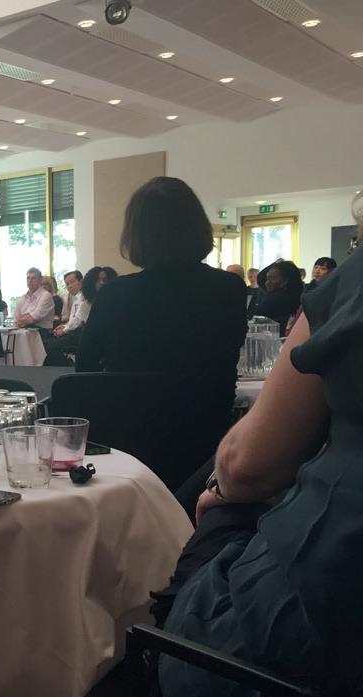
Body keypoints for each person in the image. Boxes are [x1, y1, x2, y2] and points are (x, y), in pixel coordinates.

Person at [152, 164, 363, 697]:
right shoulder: (222, 291)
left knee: (214, 499)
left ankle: (137, 687)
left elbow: (249, 465)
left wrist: (222, 494)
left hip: (330, 621)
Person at [75, 177, 246, 479]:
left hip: (128, 447)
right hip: (205, 443)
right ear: (197, 227)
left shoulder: (115, 294)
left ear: (136, 233)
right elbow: (225, 361)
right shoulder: (229, 289)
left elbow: (85, 370)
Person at [42, 269, 89, 366]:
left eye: (72, 282)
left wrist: (64, 330)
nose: (69, 286)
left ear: (81, 281)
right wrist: (64, 326)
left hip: (80, 334)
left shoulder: (84, 298)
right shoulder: (76, 298)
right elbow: (73, 319)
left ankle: (66, 367)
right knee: (46, 341)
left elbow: (78, 321)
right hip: (73, 330)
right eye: (67, 284)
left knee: (47, 345)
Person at [253, 259, 303, 330]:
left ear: (285, 281)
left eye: (272, 278)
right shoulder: (297, 296)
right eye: (267, 279)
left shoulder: (276, 297)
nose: (267, 283)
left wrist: (275, 264)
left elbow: (256, 315)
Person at [12, 267, 55, 335]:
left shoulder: (46, 295)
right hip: (23, 331)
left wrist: (22, 319)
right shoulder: (21, 298)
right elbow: (16, 320)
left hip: (41, 333)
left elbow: (33, 319)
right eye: (28, 278)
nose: (30, 280)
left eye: (33, 278)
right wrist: (25, 319)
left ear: (40, 280)